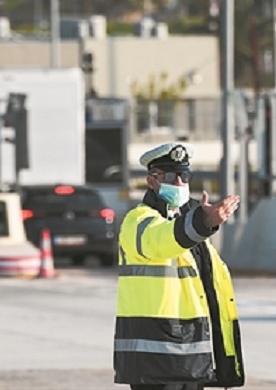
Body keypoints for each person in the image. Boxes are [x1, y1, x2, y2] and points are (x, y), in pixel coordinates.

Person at [114, 142, 245, 390]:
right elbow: (163, 239)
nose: (179, 183)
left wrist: (222, 359)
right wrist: (202, 222)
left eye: (184, 176)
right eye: (172, 176)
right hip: (155, 360)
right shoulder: (138, 221)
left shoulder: (194, 226)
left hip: (189, 358)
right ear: (151, 181)